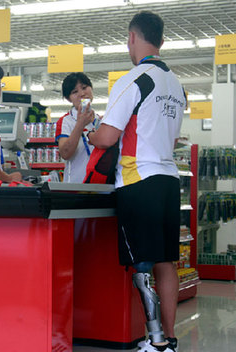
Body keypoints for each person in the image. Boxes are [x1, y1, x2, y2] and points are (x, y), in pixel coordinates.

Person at [87, 11, 185, 352]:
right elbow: (171, 140)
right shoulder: (176, 84)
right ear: (161, 39)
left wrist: (89, 131)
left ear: (132, 37)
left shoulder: (134, 78)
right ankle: (169, 339)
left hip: (137, 178)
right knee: (165, 262)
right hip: (168, 180)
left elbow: (106, 137)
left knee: (142, 264)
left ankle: (156, 343)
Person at [55, 72, 99, 183]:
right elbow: (65, 153)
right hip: (75, 185)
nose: (82, 93)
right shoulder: (66, 121)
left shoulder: (102, 120)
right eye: (75, 92)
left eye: (84, 88)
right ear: (68, 98)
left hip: (101, 185)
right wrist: (80, 125)